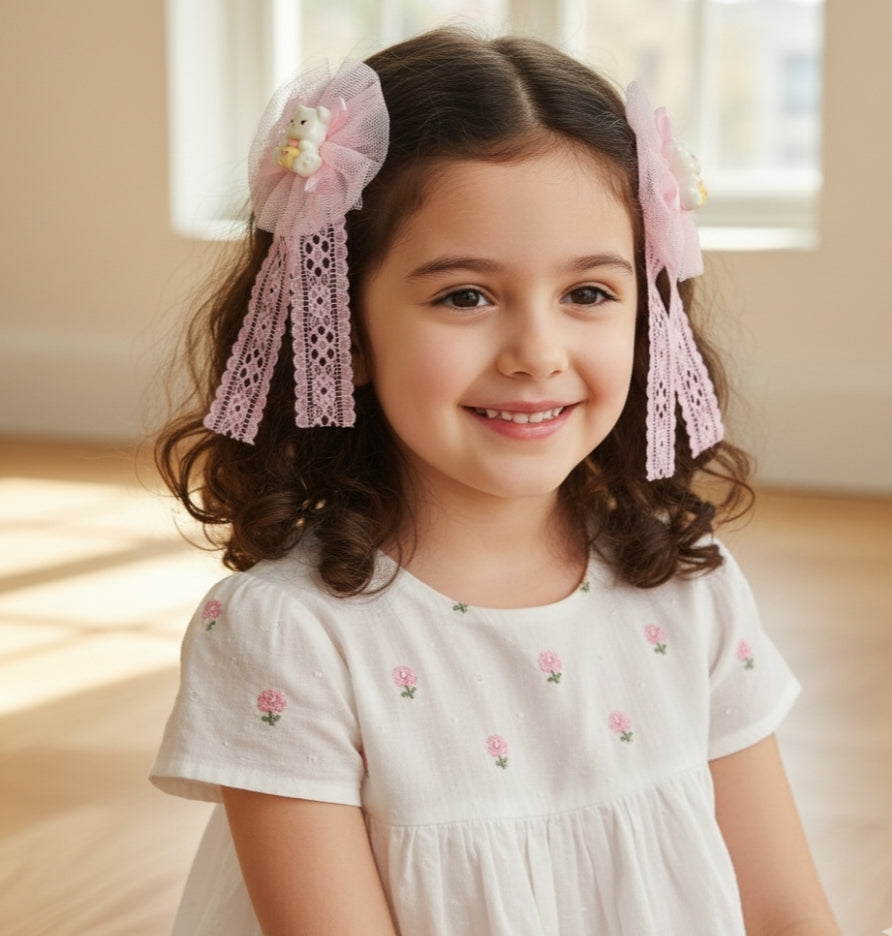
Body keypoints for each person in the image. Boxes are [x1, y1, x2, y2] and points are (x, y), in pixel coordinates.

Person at [150, 27, 840, 936]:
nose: (536, 354)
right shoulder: (288, 636)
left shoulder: (688, 585)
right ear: (343, 327)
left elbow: (788, 912)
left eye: (589, 293)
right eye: (465, 296)